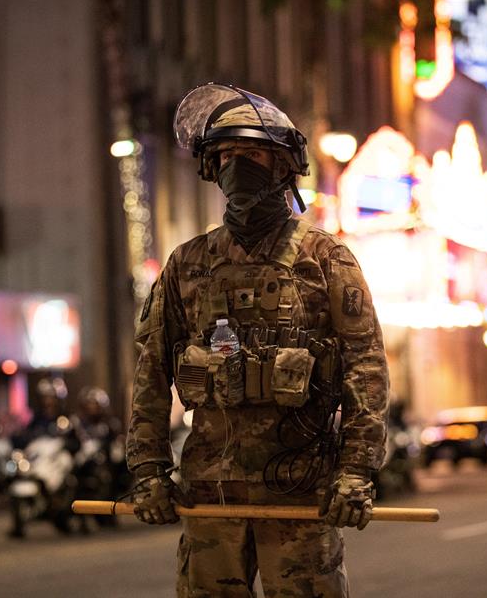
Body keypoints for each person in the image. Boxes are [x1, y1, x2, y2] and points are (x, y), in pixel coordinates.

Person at [127, 84, 390, 597]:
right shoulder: (188, 264)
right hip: (210, 493)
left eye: (251, 155)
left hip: (298, 489)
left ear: (282, 166)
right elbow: (151, 374)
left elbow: (367, 371)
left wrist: (357, 470)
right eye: (225, 156)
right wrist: (149, 470)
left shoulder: (325, 259)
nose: (236, 167)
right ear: (210, 168)